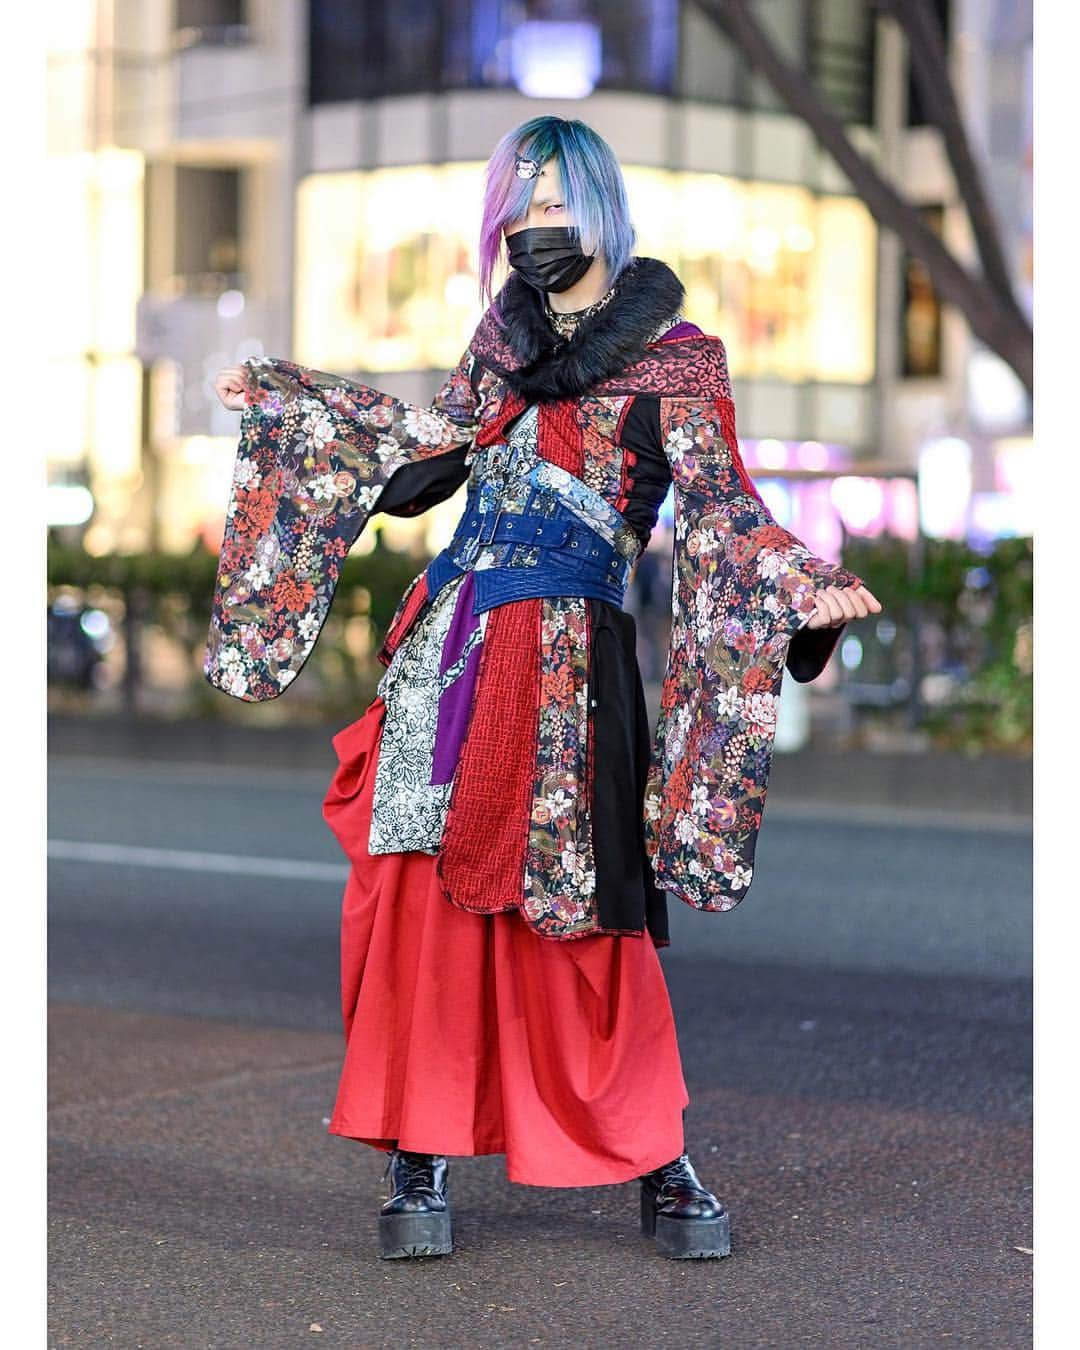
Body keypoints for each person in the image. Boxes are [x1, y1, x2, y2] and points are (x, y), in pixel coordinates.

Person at [208, 116, 882, 1262]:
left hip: (570, 662)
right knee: (417, 897)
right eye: (514, 211)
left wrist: (803, 584)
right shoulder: (499, 345)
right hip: (451, 646)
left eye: (553, 205)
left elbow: (724, 510)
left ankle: (657, 1160)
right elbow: (423, 447)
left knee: (585, 913)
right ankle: (417, 1150)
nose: (532, 229)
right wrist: (289, 406)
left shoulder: (678, 357)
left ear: (605, 207)